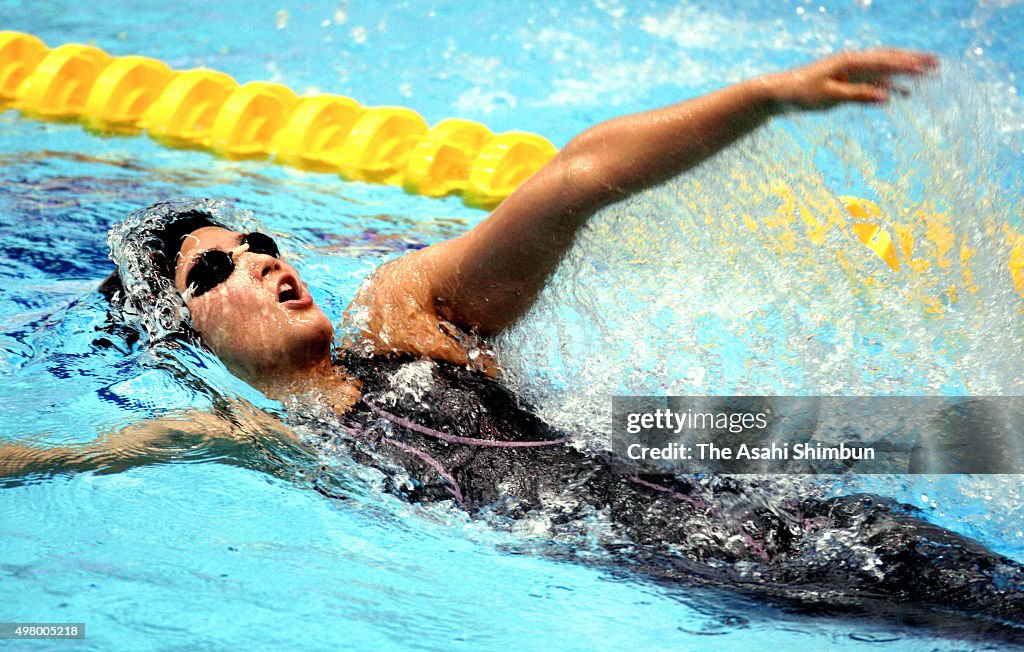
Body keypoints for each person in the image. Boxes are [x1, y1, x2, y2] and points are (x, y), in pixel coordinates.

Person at [8, 49, 1024, 639]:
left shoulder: (399, 319)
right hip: (713, 586)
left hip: (789, 534)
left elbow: (574, 178)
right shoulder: (252, 435)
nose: (263, 260)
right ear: (182, 329)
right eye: (212, 270)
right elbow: (55, 461)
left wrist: (766, 99)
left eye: (258, 242)